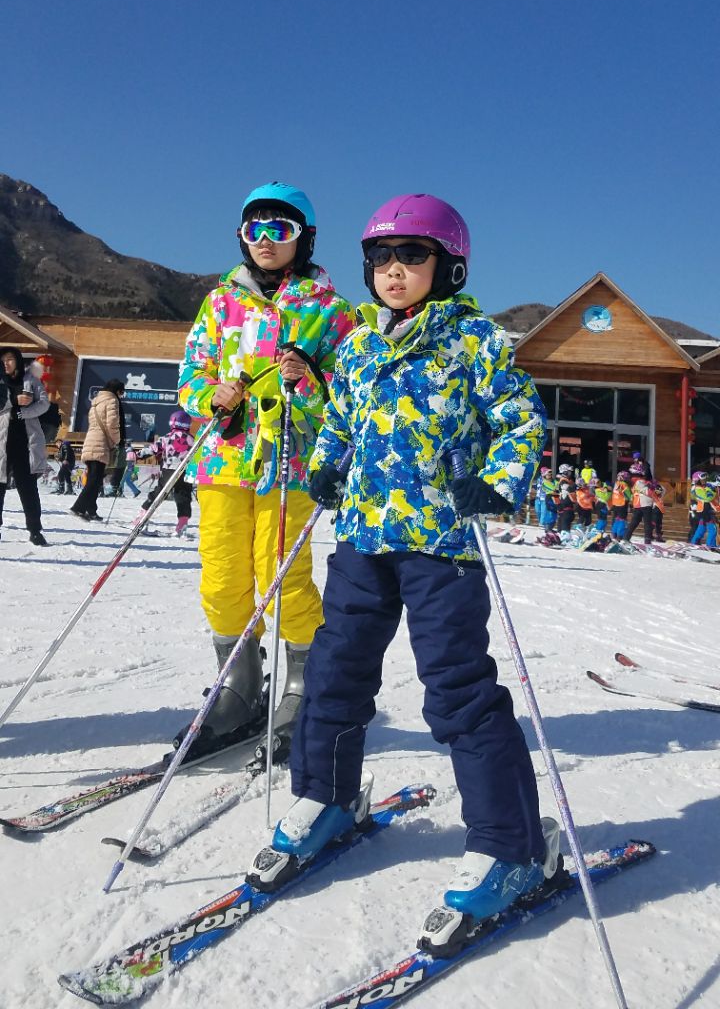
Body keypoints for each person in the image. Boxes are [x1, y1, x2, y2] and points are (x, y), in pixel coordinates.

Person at [248, 192, 560, 944]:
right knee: (335, 669)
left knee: (456, 691)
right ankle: (326, 796)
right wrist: (325, 467)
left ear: (447, 264)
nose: (393, 270)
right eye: (381, 258)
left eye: (411, 255)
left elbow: (520, 418)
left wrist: (496, 480)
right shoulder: (357, 347)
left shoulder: (475, 343)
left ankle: (509, 845)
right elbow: (343, 425)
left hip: (438, 544)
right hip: (361, 536)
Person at [177, 181, 355, 756]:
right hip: (223, 460)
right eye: (255, 229)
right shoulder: (219, 302)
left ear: (305, 238)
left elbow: (348, 395)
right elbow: (189, 375)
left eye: (281, 229)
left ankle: (305, 687)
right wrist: (211, 395)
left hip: (289, 462)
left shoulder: (331, 311)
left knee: (282, 577)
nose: (266, 241)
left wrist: (308, 381)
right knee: (223, 577)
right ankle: (239, 688)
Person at [0, 346, 50, 545]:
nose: (6, 363)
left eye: (10, 359)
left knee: (28, 489)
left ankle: (35, 530)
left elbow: (44, 403)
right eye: (3, 360)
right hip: (2, 445)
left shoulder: (32, 381)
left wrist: (24, 413)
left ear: (18, 361)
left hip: (26, 445)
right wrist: (15, 401)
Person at [70, 379, 125, 521]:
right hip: (100, 443)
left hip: (91, 441)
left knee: (96, 478)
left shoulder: (96, 401)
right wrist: (117, 440)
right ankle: (78, 507)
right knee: (94, 479)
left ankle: (91, 510)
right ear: (117, 391)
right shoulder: (112, 401)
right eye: (122, 393)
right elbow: (112, 424)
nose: (121, 396)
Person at [135, 410, 195, 534]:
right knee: (183, 496)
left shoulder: (168, 437)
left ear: (173, 423)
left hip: (169, 470)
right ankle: (182, 524)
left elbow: (153, 448)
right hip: (185, 472)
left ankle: (143, 516)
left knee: (159, 493)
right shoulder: (192, 439)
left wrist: (137, 454)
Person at [624, 462, 655, 545]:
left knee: (634, 522)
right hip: (645, 504)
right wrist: (652, 487)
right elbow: (648, 492)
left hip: (637, 504)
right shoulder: (640, 481)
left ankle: (626, 537)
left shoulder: (633, 481)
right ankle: (647, 540)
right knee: (647, 523)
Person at [610, 471, 632, 539]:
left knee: (617, 519)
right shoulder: (624, 484)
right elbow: (629, 495)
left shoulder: (616, 483)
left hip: (615, 504)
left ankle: (614, 534)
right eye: (627, 477)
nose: (628, 479)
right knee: (622, 520)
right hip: (622, 504)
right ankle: (620, 535)